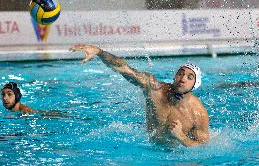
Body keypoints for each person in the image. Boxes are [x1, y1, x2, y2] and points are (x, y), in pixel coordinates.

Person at [70, 44, 209, 147]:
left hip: (176, 155)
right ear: (174, 76)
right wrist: (99, 52)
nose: (183, 78)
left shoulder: (198, 113)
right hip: (148, 149)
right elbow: (125, 69)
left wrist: (181, 137)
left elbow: (203, 147)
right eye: (180, 73)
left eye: (189, 77)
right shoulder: (155, 89)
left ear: (195, 84)